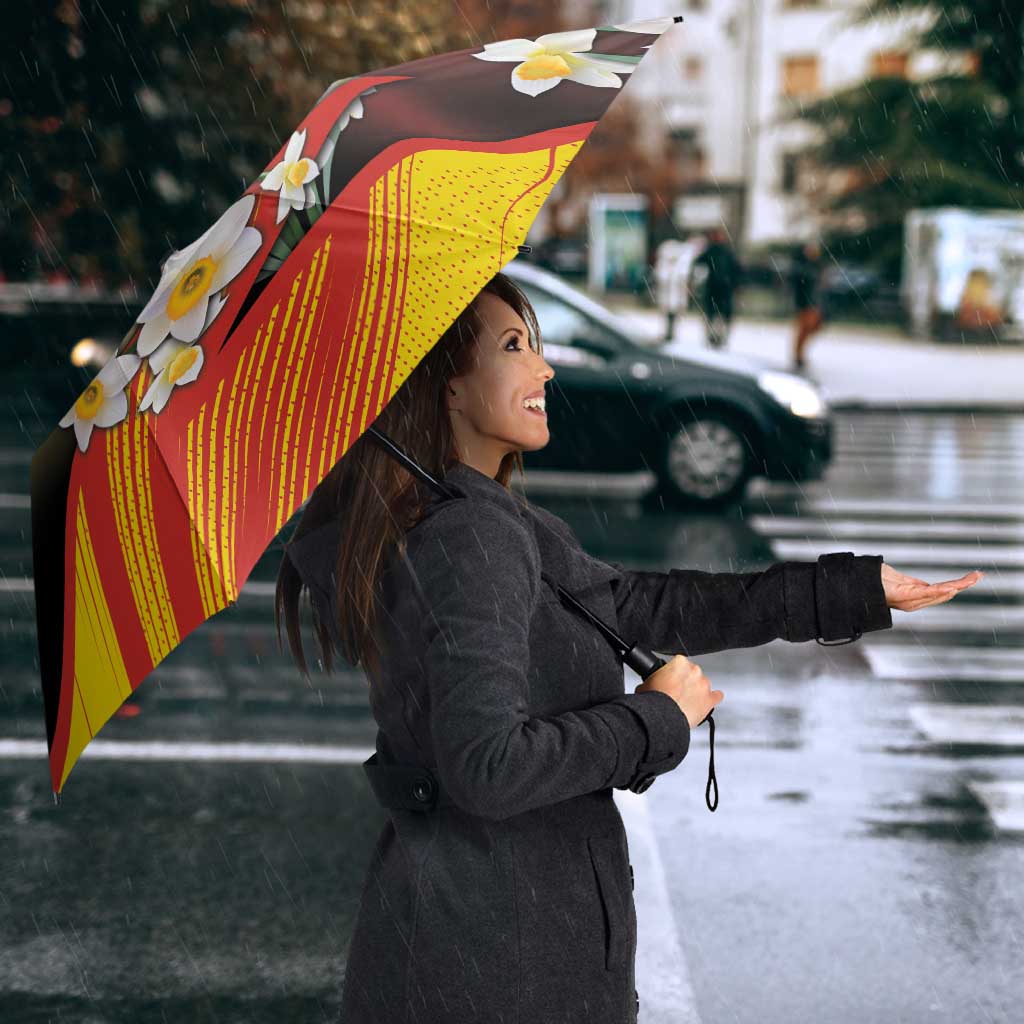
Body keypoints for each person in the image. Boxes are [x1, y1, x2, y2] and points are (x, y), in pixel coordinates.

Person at [275, 272, 982, 1024]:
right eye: (514, 346)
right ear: (446, 388)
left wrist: (849, 590)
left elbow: (643, 605)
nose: (544, 368)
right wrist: (655, 719)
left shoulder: (479, 519)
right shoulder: (469, 536)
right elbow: (487, 767)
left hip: (480, 943)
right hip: (496, 962)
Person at [692, 226, 742, 349]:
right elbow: (698, 264)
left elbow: (736, 270)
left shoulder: (725, 252)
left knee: (720, 315)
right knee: (713, 314)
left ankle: (719, 337)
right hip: (715, 288)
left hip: (723, 288)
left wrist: (735, 284)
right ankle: (713, 337)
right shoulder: (712, 251)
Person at [790, 240, 826, 371]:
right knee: (804, 329)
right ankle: (798, 355)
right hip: (805, 303)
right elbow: (799, 286)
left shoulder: (817, 266)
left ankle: (800, 354)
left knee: (813, 328)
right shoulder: (802, 267)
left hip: (814, 303)